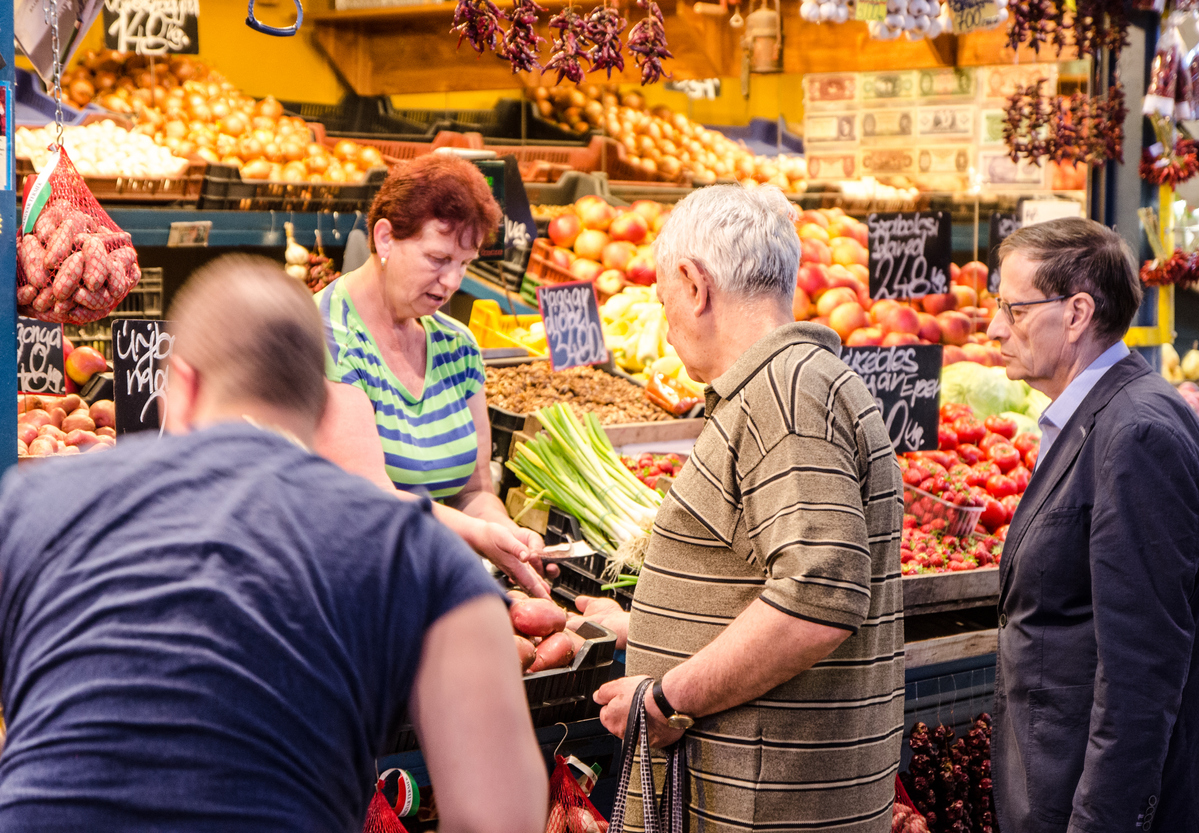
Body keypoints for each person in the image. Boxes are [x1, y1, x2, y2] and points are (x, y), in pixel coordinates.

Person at [0, 256, 547, 833]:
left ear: (178, 385)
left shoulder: (27, 504)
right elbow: (500, 819)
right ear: (320, 403)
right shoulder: (417, 551)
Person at [585, 185, 905, 831]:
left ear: (693, 282)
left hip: (766, 804)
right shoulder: (789, 385)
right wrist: (644, 626)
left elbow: (818, 597)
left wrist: (667, 699)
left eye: (663, 299)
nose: (666, 321)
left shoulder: (784, 399)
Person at [985, 218, 1199, 833]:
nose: (994, 329)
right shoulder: (1104, 416)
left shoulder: (1138, 434)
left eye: (1013, 310)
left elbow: (1141, 673)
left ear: (1075, 314)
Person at [313, 154, 549, 597]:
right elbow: (370, 500)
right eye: (438, 258)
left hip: (432, 584)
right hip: (344, 591)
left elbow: (475, 490)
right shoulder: (327, 336)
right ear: (385, 238)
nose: (452, 280)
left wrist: (507, 536)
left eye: (465, 263)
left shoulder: (457, 347)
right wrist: (477, 537)